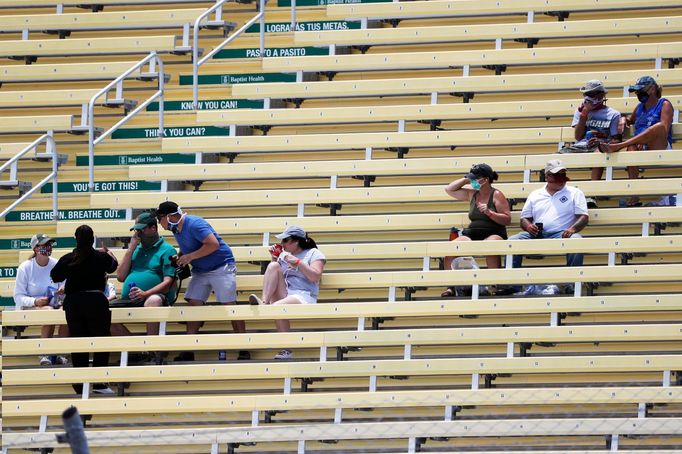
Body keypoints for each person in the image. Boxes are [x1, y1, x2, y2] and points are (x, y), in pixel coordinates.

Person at [155, 201, 249, 362]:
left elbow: (213, 244)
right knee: (194, 305)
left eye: (159, 218)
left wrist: (189, 257)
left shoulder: (194, 223)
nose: (159, 222)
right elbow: (188, 245)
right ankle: (189, 349)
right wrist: (180, 255)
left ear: (169, 216)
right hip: (201, 269)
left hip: (221, 265)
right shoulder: (175, 227)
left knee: (229, 305)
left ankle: (244, 347)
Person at [50, 225, 118, 395]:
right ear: (92, 238)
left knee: (78, 341)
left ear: (76, 239)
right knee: (101, 341)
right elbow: (113, 267)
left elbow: (55, 275)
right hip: (96, 301)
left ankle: (80, 384)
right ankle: (99, 383)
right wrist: (110, 254)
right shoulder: (100, 257)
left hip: (74, 303)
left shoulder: (69, 258)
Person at [248, 226, 326, 360]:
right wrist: (274, 259)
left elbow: (315, 277)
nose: (282, 244)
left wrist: (297, 262)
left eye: (285, 240)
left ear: (296, 241)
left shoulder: (313, 253)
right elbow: (276, 275)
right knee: (273, 266)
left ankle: (286, 349)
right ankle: (264, 303)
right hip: (287, 292)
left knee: (278, 307)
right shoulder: (284, 256)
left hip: (304, 294)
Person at [596, 76, 674, 206]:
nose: (638, 94)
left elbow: (664, 130)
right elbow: (630, 119)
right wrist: (623, 119)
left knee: (658, 127)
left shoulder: (664, 104)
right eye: (637, 91)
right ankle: (634, 196)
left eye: (641, 90)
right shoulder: (639, 108)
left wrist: (644, 139)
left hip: (659, 145)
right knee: (631, 148)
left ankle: (619, 146)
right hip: (640, 147)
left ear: (652, 89)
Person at [509, 159, 589, 282]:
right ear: (547, 176)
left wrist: (572, 229)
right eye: (557, 176)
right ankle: (512, 283)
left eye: (562, 175)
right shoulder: (535, 194)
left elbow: (583, 216)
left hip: (562, 233)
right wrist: (529, 226)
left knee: (576, 240)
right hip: (537, 233)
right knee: (512, 242)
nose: (560, 180)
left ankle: (572, 283)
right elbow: (524, 219)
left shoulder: (575, 192)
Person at [441, 164, 511, 297]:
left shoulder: (496, 194)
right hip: (473, 232)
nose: (472, 181)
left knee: (491, 245)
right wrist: (466, 179)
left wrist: (490, 213)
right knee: (451, 248)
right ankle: (452, 287)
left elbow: (506, 219)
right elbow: (449, 189)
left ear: (485, 179)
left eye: (475, 178)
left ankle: (494, 285)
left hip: (493, 231)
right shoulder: (472, 193)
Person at [110, 212, 178, 339]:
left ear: (153, 228)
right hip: (130, 298)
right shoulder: (135, 249)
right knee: (101, 310)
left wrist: (145, 294)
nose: (138, 233)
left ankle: (152, 349)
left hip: (155, 297)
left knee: (153, 301)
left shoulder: (167, 250)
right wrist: (130, 249)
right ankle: (139, 350)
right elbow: (120, 276)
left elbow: (168, 283)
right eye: (136, 230)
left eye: (141, 230)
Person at [14, 233, 69, 366]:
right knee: (49, 311)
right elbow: (18, 297)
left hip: (55, 302)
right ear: (35, 249)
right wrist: (35, 302)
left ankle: (62, 352)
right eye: (44, 245)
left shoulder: (56, 264)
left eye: (49, 245)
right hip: (32, 305)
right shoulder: (25, 267)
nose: (48, 248)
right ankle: (45, 353)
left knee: (67, 310)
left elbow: (66, 283)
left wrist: (63, 289)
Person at [570, 80, 622, 181]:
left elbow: (616, 139)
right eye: (588, 94)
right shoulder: (580, 111)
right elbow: (577, 137)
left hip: (600, 146)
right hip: (581, 146)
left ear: (602, 96)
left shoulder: (613, 114)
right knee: (556, 157)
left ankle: (594, 191)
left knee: (598, 152)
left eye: (594, 94)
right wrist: (584, 114)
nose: (591, 97)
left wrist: (602, 142)